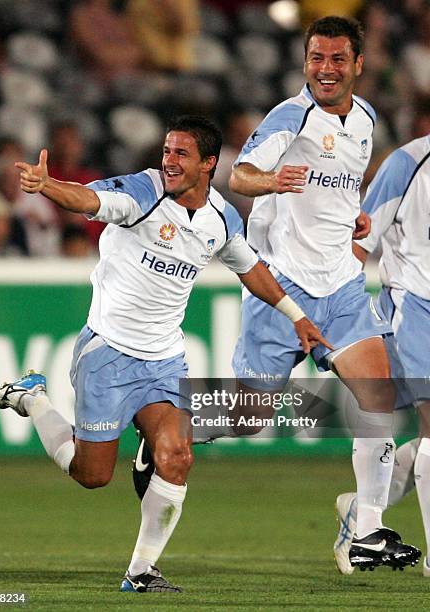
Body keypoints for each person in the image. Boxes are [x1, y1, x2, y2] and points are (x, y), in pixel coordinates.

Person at [0, 115, 330, 593]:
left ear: (209, 164)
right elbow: (90, 199)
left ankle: (141, 571)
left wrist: (296, 315)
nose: (168, 162)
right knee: (92, 475)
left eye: (181, 154)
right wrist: (48, 186)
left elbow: (249, 267)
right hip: (108, 354)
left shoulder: (220, 217)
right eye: (167, 152)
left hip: (164, 361)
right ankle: (34, 400)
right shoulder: (142, 194)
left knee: (176, 455)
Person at [228, 15, 420, 571]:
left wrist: (353, 218)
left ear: (359, 64)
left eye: (338, 59)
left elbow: (337, 185)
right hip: (282, 283)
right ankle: (164, 430)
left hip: (339, 284)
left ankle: (365, 530)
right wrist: (272, 181)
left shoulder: (365, 118)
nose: (326, 69)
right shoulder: (291, 115)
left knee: (380, 395)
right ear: (305, 61)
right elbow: (240, 175)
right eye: (317, 58)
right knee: (248, 417)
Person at [334, 131, 430, 575]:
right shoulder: (407, 164)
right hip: (416, 304)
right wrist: (339, 312)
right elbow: (359, 242)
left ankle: (362, 509)